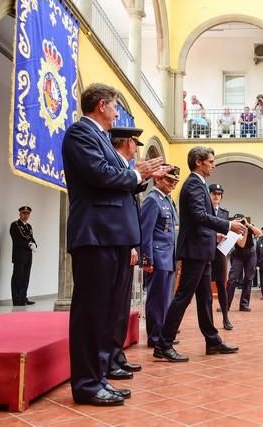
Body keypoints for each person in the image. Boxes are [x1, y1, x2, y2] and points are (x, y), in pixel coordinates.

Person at [62, 83, 169, 406]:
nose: (116, 112)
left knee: (106, 312)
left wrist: (138, 174)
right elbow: (100, 176)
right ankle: (86, 384)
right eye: (114, 106)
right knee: (91, 313)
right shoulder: (81, 134)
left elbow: (114, 178)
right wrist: (135, 174)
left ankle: (98, 377)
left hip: (112, 235)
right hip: (96, 234)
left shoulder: (100, 139)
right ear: (100, 105)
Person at [153, 146, 246, 362]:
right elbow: (198, 215)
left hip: (202, 250)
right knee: (183, 297)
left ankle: (212, 340)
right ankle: (163, 344)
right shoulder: (194, 183)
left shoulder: (199, 184)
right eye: (211, 161)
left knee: (204, 298)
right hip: (195, 250)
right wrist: (227, 225)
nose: (213, 164)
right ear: (198, 162)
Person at [106, 127, 148, 381]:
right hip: (116, 241)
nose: (137, 148)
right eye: (136, 143)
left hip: (125, 242)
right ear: (129, 143)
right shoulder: (118, 168)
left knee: (121, 308)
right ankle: (109, 358)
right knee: (113, 307)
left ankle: (116, 354)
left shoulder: (124, 170)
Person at [142, 165, 181, 347]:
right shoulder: (152, 200)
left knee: (166, 300)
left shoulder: (167, 200)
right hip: (157, 257)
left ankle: (163, 336)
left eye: (175, 181)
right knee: (157, 300)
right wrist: (147, 259)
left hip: (168, 257)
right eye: (169, 180)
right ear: (158, 179)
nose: (172, 184)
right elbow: (146, 232)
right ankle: (155, 337)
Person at [208, 183, 233, 330]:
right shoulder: (204, 210)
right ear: (209, 195)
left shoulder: (224, 213)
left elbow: (228, 230)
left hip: (221, 253)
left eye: (219, 194)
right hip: (207, 251)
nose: (216, 196)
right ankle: (208, 320)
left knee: (221, 286)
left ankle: (225, 318)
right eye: (214, 194)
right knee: (205, 287)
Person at [226, 214, 261, 310]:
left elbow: (259, 233)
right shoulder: (232, 230)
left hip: (251, 255)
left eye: (241, 220)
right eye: (237, 221)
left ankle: (244, 305)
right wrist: (244, 232)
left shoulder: (248, 226)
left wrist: (248, 225)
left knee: (248, 279)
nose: (240, 223)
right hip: (238, 255)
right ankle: (226, 305)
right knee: (232, 279)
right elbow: (241, 244)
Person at [10, 205, 37, 306]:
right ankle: (16, 299)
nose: (26, 215)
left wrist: (35, 244)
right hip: (19, 255)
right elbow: (16, 241)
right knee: (18, 276)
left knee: (26, 277)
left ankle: (23, 297)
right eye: (24, 213)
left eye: (28, 213)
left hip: (28, 255)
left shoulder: (28, 227)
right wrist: (28, 244)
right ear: (20, 214)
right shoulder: (15, 225)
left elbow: (31, 238)